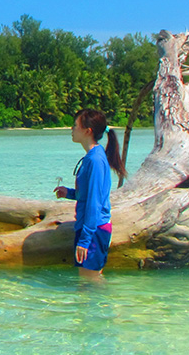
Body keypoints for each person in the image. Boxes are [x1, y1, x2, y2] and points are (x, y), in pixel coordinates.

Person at [54, 109, 126, 278]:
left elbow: (95, 203)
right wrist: (70, 193)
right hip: (92, 228)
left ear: (88, 131)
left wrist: (85, 241)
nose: (71, 129)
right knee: (89, 285)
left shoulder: (95, 160)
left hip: (94, 230)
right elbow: (88, 194)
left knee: (89, 284)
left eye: (75, 126)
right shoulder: (93, 156)